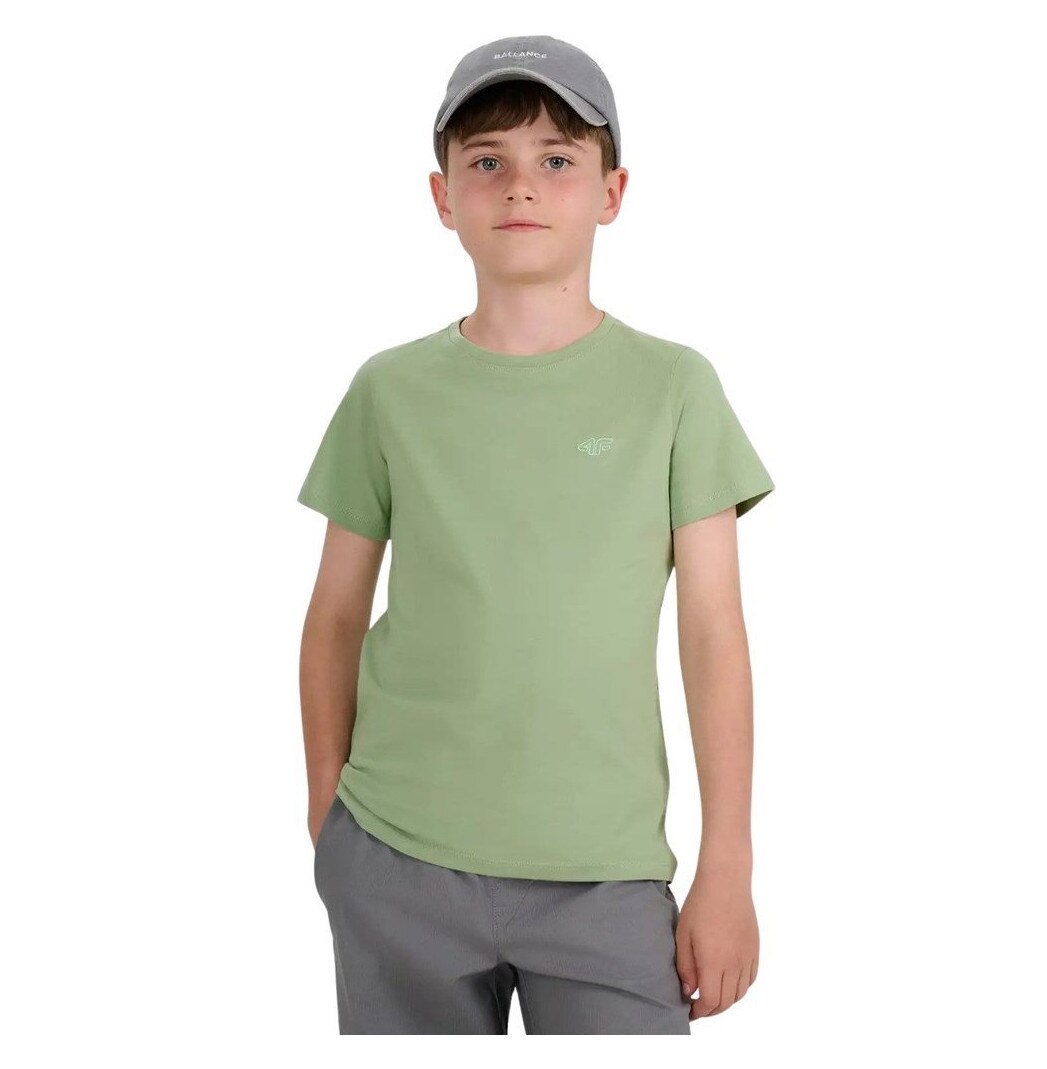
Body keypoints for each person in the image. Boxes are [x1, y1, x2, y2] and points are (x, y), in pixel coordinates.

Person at [296, 34, 775, 1035]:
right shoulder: (389, 390)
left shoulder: (673, 388)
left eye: (557, 158)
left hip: (603, 873)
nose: (520, 185)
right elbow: (335, 613)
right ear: (443, 197)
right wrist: (327, 810)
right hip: (395, 856)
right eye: (487, 161)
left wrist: (725, 865)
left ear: (611, 191)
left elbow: (712, 633)